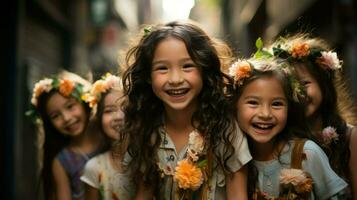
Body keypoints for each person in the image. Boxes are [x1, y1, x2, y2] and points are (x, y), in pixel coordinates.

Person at [118, 20, 252, 199]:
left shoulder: (226, 130)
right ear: (148, 76)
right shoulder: (145, 130)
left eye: (187, 66)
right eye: (162, 68)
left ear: (204, 69)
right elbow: (144, 193)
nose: (175, 79)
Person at [227, 57, 348, 199]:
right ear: (235, 106)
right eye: (253, 103)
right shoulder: (232, 160)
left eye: (277, 104)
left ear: (289, 108)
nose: (265, 114)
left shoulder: (307, 154)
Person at [267, 34, 357, 198]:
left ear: (324, 84)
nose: (298, 93)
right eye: (290, 87)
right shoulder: (280, 141)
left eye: (304, 83)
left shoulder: (349, 136)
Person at [28, 71, 104, 200]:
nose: (67, 118)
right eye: (56, 116)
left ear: (83, 100)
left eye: (70, 106)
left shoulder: (106, 133)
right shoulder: (61, 162)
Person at [80, 73, 136, 199]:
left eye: (126, 108)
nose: (119, 117)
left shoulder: (151, 160)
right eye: (109, 110)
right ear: (99, 119)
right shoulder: (94, 168)